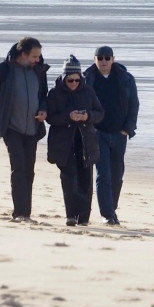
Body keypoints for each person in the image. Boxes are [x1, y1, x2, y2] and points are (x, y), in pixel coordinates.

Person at [0, 36, 48, 221]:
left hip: (32, 129)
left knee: (29, 170)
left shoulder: (38, 70)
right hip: (10, 127)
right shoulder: (3, 70)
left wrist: (44, 110)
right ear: (23, 54)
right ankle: (19, 213)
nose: (38, 59)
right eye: (34, 56)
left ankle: (26, 213)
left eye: (39, 56)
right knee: (18, 169)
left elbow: (44, 95)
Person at [83, 46, 139, 225]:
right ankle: (107, 214)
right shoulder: (87, 78)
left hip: (119, 134)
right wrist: (89, 127)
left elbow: (134, 105)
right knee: (103, 174)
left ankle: (112, 209)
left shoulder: (125, 78)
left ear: (113, 59)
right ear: (95, 59)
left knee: (117, 174)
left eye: (107, 58)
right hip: (97, 134)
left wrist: (127, 129)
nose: (104, 61)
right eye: (100, 58)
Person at [46, 55, 104, 227]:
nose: (73, 84)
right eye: (70, 80)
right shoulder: (54, 93)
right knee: (69, 179)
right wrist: (68, 117)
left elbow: (100, 113)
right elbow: (51, 118)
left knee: (86, 180)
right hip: (63, 144)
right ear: (64, 78)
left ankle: (84, 218)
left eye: (77, 80)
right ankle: (71, 215)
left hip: (86, 142)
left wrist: (87, 116)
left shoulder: (88, 92)